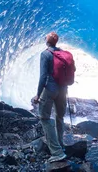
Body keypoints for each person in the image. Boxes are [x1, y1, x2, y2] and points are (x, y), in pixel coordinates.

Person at [31, 32, 68, 163]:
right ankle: (61, 145)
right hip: (63, 90)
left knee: (45, 118)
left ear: (47, 41)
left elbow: (43, 77)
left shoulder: (45, 54)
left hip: (50, 90)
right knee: (60, 116)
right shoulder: (62, 53)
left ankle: (57, 152)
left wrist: (38, 94)